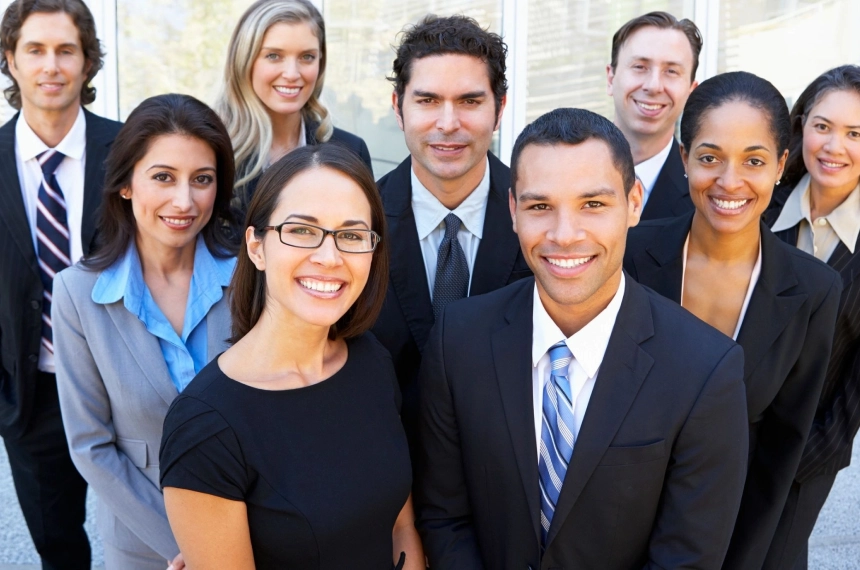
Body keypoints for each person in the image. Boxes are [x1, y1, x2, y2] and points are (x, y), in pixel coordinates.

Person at [415, 107, 749, 569]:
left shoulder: (705, 370)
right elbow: (445, 517)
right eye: (539, 206)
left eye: (593, 205)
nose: (564, 235)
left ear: (633, 203)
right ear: (513, 211)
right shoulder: (459, 340)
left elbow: (687, 556)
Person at [159, 144, 423, 569]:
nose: (329, 257)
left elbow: (401, 529)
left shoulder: (371, 361)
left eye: (352, 235)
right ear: (257, 247)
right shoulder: (204, 427)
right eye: (302, 230)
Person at [623, 71, 843, 570]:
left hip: (735, 546)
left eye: (754, 161)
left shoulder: (813, 290)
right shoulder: (629, 258)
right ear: (684, 160)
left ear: (782, 165)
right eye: (709, 158)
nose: (729, 181)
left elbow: (781, 458)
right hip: (612, 538)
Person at [51, 94, 236, 570]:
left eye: (202, 180)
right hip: (147, 546)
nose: (184, 200)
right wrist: (187, 546)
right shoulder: (77, 294)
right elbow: (90, 445)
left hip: (249, 532)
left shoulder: (249, 280)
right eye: (163, 177)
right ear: (126, 185)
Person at [371, 14, 532, 447]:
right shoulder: (358, 224)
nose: (447, 123)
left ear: (499, 108)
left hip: (507, 482)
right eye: (427, 101)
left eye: (469, 101)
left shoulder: (541, 220)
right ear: (397, 106)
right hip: (385, 484)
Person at [0, 0, 122, 567]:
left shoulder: (129, 152)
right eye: (35, 50)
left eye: (66, 50)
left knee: (159, 535)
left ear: (88, 62)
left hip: (128, 381)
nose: (51, 65)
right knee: (59, 548)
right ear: (11, 61)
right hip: (32, 395)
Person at [765, 64, 860, 570]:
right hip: (721, 437)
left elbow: (855, 390)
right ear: (801, 126)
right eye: (822, 125)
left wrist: (807, 456)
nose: (833, 145)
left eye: (855, 133)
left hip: (808, 453)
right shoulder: (759, 205)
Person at [216, 0, 372, 227]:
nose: (292, 73)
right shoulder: (215, 152)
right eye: (274, 56)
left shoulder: (350, 150)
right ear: (244, 61)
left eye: (306, 57)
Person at [607, 11, 700, 220]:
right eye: (640, 67)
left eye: (671, 71)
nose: (654, 86)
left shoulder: (703, 198)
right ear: (610, 78)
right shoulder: (561, 172)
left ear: (690, 91)